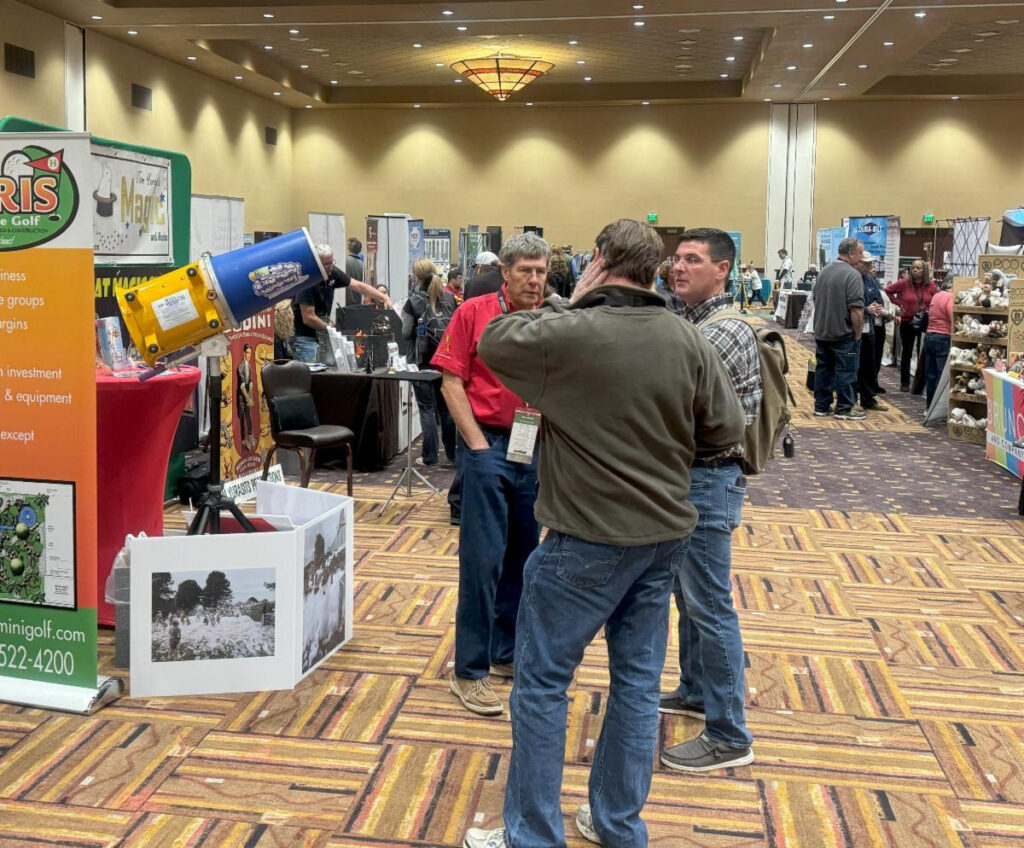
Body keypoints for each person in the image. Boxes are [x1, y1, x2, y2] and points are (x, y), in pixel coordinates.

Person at [463, 219, 744, 848]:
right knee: (637, 685)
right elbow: (725, 430)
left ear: (597, 261)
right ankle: (617, 826)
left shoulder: (569, 331)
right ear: (654, 268)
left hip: (583, 541)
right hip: (662, 539)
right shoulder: (686, 337)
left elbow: (496, 340)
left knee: (542, 686)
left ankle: (533, 836)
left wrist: (570, 298)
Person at [431, 233, 547, 717]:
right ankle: (469, 671)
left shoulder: (550, 319)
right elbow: (450, 381)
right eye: (526, 271)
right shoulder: (473, 312)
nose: (535, 280)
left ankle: (505, 651)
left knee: (525, 556)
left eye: (541, 272)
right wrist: (476, 444)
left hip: (533, 447)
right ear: (505, 272)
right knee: (482, 561)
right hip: (488, 446)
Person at [658, 227, 759, 774]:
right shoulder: (693, 322)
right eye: (677, 258)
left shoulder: (723, 332)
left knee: (711, 606)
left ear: (722, 269)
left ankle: (729, 734)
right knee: (690, 597)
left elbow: (672, 399)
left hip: (708, 478)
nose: (679, 267)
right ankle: (696, 690)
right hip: (693, 478)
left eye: (693, 260)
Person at [290, 243, 391, 364]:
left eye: (332, 262)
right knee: (312, 372)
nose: (330, 267)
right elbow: (308, 318)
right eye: (326, 264)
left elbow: (358, 286)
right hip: (304, 338)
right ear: (316, 264)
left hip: (321, 334)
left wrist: (383, 297)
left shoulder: (333, 273)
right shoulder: (307, 280)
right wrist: (331, 328)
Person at [402, 260, 457, 466]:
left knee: (427, 409)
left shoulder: (413, 301)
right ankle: (452, 455)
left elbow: (405, 333)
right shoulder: (449, 298)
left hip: (422, 361)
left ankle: (430, 457)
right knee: (446, 409)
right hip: (445, 361)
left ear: (417, 278)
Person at [813, 237, 866, 420]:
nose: (861, 257)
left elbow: (815, 299)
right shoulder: (853, 275)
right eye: (860, 253)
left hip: (822, 332)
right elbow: (856, 309)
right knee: (846, 371)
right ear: (850, 254)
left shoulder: (823, 272)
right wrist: (858, 334)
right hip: (843, 334)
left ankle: (821, 406)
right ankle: (844, 408)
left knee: (823, 370)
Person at [885, 259, 937, 392]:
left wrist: (929, 309)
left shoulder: (930, 285)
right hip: (907, 321)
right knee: (907, 352)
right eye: (913, 268)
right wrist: (899, 303)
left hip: (925, 322)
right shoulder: (904, 283)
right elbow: (888, 290)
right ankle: (905, 383)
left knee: (923, 352)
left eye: (918, 268)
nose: (914, 270)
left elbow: (936, 299)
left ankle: (920, 384)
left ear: (924, 271)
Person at [855, 252, 889, 413]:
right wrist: (866, 309)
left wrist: (876, 309)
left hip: (869, 329)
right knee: (852, 365)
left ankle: (868, 399)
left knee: (869, 364)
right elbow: (849, 304)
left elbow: (878, 300)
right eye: (866, 264)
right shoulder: (851, 278)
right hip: (851, 328)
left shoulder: (871, 280)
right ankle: (850, 399)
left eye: (870, 264)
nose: (869, 267)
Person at [923, 276, 954, 408]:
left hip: (930, 335)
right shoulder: (950, 297)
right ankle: (939, 408)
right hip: (943, 337)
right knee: (942, 375)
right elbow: (952, 316)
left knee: (931, 375)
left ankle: (929, 406)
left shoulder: (936, 295)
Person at [235, 343, 255, 451]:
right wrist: (247, 398)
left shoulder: (249, 365)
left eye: (250, 353)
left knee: (249, 416)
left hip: (247, 393)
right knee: (242, 418)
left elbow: (250, 381)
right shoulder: (241, 367)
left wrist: (250, 395)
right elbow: (242, 386)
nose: (248, 355)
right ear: (243, 353)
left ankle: (251, 437)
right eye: (247, 353)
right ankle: (243, 440)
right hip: (241, 396)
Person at [344, 237, 365, 307]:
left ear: (349, 248)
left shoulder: (344, 263)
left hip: (345, 302)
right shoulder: (363, 265)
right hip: (358, 303)